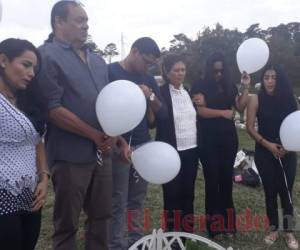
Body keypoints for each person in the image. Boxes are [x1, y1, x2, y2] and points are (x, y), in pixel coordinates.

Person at [34, 1, 117, 249]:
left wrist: (113, 134)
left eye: (86, 20)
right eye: (78, 20)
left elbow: (109, 103)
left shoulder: (99, 60)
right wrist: (93, 134)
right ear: (58, 22)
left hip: (103, 152)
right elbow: (53, 109)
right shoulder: (46, 55)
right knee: (67, 225)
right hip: (70, 156)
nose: (85, 25)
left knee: (102, 217)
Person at [108, 37, 167, 250]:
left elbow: (163, 114)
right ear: (134, 52)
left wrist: (150, 95)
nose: (148, 67)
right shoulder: (110, 72)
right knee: (117, 200)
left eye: (152, 64)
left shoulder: (148, 80)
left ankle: (136, 241)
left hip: (142, 146)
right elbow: (102, 113)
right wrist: (122, 144)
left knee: (137, 199)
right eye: (147, 61)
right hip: (117, 146)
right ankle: (115, 244)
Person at [191, 52, 250, 238]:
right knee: (212, 181)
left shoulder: (229, 85)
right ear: (209, 69)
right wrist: (222, 113)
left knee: (226, 181)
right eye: (216, 71)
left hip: (228, 139)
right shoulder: (199, 85)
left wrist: (246, 87)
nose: (218, 74)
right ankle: (214, 226)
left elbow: (240, 107)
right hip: (208, 140)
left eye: (222, 71)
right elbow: (201, 112)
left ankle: (229, 224)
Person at [0, 38, 49, 250]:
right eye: (26, 65)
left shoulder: (26, 100)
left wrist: (44, 178)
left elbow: (37, 142)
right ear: (3, 60)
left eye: (34, 68)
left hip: (31, 195)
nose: (31, 73)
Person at [246, 64, 299, 250]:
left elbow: (296, 124)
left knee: (286, 191)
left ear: (280, 79)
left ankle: (289, 230)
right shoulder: (256, 99)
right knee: (270, 191)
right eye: (266, 77)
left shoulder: (290, 99)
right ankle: (274, 228)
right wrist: (268, 145)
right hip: (264, 151)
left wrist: (288, 146)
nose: (269, 81)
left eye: (273, 77)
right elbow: (250, 127)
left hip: (287, 152)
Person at [156, 54, 198, 235]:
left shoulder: (188, 92)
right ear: (166, 71)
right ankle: (172, 232)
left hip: (191, 150)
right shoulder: (161, 93)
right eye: (176, 70)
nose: (180, 74)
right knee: (172, 194)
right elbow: (158, 119)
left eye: (183, 70)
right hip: (171, 152)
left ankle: (187, 231)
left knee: (188, 192)